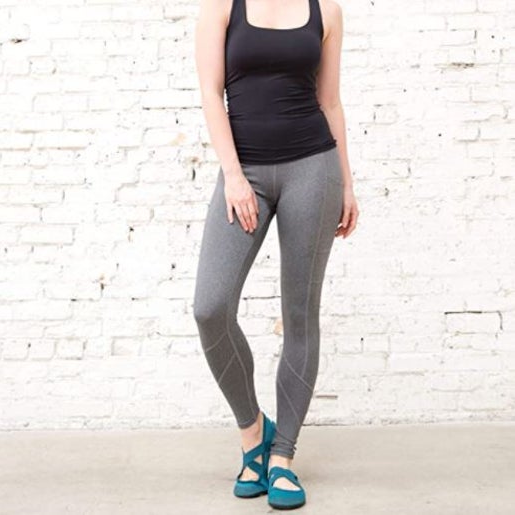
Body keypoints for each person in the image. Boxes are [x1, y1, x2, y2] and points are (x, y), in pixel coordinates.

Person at [193, 0, 359, 509]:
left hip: (314, 167)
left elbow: (330, 102)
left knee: (300, 314)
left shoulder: (326, 11)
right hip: (244, 172)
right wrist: (233, 176)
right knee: (210, 307)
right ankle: (254, 433)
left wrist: (347, 184)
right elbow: (211, 93)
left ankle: (282, 455)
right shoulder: (222, 7)